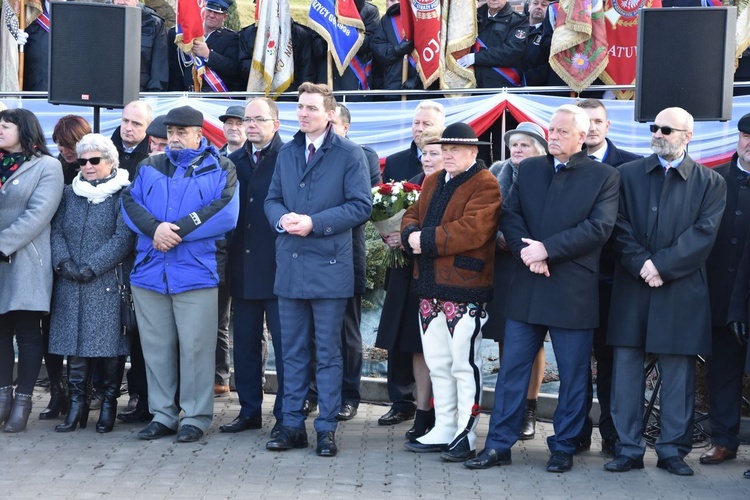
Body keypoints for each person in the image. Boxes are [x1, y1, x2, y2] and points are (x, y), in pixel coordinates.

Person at [465, 105, 620, 473]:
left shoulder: (605, 176)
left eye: (562, 132)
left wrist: (547, 250)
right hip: (529, 284)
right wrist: (526, 251)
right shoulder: (530, 168)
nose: (552, 136)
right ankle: (498, 444)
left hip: (572, 289)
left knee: (574, 374)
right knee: (512, 372)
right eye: (551, 130)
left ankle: (564, 446)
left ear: (581, 137)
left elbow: (598, 228)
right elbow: (511, 213)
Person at [605, 107, 726, 476]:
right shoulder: (626, 175)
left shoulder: (710, 182)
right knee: (626, 372)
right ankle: (628, 449)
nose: (657, 134)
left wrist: (661, 266)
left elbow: (702, 236)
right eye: (654, 127)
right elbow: (617, 226)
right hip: (633, 285)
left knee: (678, 377)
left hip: (681, 290)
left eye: (666, 130)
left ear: (687, 136)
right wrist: (642, 262)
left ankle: (672, 450)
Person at [264, 82, 372, 457]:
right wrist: (281, 220)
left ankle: (326, 428)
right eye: (300, 107)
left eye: (311, 108)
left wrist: (314, 222)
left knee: (328, 354)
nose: (303, 113)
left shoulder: (349, 153)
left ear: (329, 114)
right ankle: (291, 425)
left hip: (330, 268)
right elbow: (272, 198)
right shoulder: (289, 152)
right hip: (291, 265)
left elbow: (361, 206)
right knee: (291, 352)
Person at [121, 105, 239, 443]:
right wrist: (156, 229)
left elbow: (225, 211)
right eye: (170, 132)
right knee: (156, 350)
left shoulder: (220, 166)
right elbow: (131, 205)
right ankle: (163, 415)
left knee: (196, 349)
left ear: (199, 135)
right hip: (150, 272)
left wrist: (179, 230)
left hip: (196, 273)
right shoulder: (149, 165)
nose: (174, 138)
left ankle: (197, 417)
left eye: (181, 132)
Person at [400, 122, 501, 462]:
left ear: (473, 152)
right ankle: (443, 426)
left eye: (454, 149)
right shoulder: (432, 179)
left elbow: (473, 230)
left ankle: (466, 433)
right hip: (429, 286)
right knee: (438, 362)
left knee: (463, 363)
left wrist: (422, 240)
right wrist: (410, 231)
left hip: (465, 288)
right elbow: (412, 213)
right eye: (444, 149)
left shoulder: (485, 182)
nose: (447, 154)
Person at [49, 133, 134, 433]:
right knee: (74, 345)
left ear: (110, 162)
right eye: (83, 161)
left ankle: (108, 403)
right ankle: (76, 404)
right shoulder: (67, 193)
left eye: (94, 160)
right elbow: (56, 230)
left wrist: (93, 266)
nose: (87, 165)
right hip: (70, 281)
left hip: (105, 282)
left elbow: (123, 238)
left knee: (109, 346)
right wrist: (64, 263)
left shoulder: (123, 194)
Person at [575, 98, 640, 455]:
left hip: (615, 283)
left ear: (607, 125)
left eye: (598, 120)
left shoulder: (630, 166)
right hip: (573, 283)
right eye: (586, 122)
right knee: (577, 363)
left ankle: (613, 435)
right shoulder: (565, 166)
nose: (593, 127)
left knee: (612, 363)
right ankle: (577, 432)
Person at [378, 100, 445, 427]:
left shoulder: (457, 178)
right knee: (400, 336)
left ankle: (432, 408)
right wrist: (390, 236)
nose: (420, 130)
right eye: (417, 123)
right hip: (403, 268)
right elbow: (386, 207)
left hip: (438, 273)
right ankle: (402, 400)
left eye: (427, 125)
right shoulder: (397, 163)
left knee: (427, 343)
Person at [222, 97, 285, 436]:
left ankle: (285, 414)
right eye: (248, 119)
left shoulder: (289, 158)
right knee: (244, 344)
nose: (251, 125)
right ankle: (248, 411)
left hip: (278, 268)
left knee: (286, 346)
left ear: (275, 124)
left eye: (259, 119)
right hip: (242, 267)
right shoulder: (231, 161)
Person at [0, 108, 65, 433]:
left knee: (26, 333)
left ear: (24, 129)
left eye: (5, 125)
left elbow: (38, 214)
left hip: (26, 260)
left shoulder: (47, 166)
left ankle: (23, 402)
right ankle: (2, 399)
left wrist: (2, 244)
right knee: (0, 333)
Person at [486, 121, 548, 441]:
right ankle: (507, 404)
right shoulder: (497, 173)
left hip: (533, 264)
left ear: (539, 149)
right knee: (503, 336)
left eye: (525, 144)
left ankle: (529, 408)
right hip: (502, 264)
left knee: (532, 339)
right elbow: (488, 214)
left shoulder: (547, 173)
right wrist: (497, 237)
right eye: (514, 144)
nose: (518, 149)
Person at [701, 113, 750, 466]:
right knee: (722, 372)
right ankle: (723, 439)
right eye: (747, 135)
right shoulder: (715, 180)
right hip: (719, 294)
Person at [167, 0, 240, 92]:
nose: (212, 15)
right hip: (183, 94)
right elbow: (172, 67)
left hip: (213, 97)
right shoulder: (179, 34)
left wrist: (208, 55)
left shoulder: (231, 38)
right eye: (209, 10)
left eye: (217, 12)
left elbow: (233, 69)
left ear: (225, 17)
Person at [457, 0, 528, 89]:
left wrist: (476, 58)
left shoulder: (518, 21)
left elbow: (513, 51)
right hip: (472, 84)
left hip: (501, 86)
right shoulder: (473, 17)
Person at [371, 0, 429, 96]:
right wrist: (396, 50)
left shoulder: (429, 18)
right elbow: (376, 47)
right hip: (393, 89)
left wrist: (417, 79)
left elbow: (435, 55)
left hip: (421, 91)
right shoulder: (389, 18)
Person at [112, 0, 168, 91]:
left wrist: (154, 97)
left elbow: (159, 67)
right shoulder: (102, 19)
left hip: (140, 93)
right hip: (107, 91)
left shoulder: (153, 23)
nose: (121, 2)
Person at [110, 100, 152, 180]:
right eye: (125, 121)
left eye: (136, 124)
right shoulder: (103, 151)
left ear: (149, 126)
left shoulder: (154, 156)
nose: (128, 128)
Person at [52, 115, 92, 185]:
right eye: (60, 144)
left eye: (69, 145)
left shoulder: (101, 167)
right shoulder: (57, 166)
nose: (64, 151)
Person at [522, 0, 551, 86]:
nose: (539, 7)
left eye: (544, 5)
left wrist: (528, 77)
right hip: (511, 84)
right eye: (535, 3)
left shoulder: (551, 33)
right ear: (528, 7)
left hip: (536, 88)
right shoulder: (517, 27)